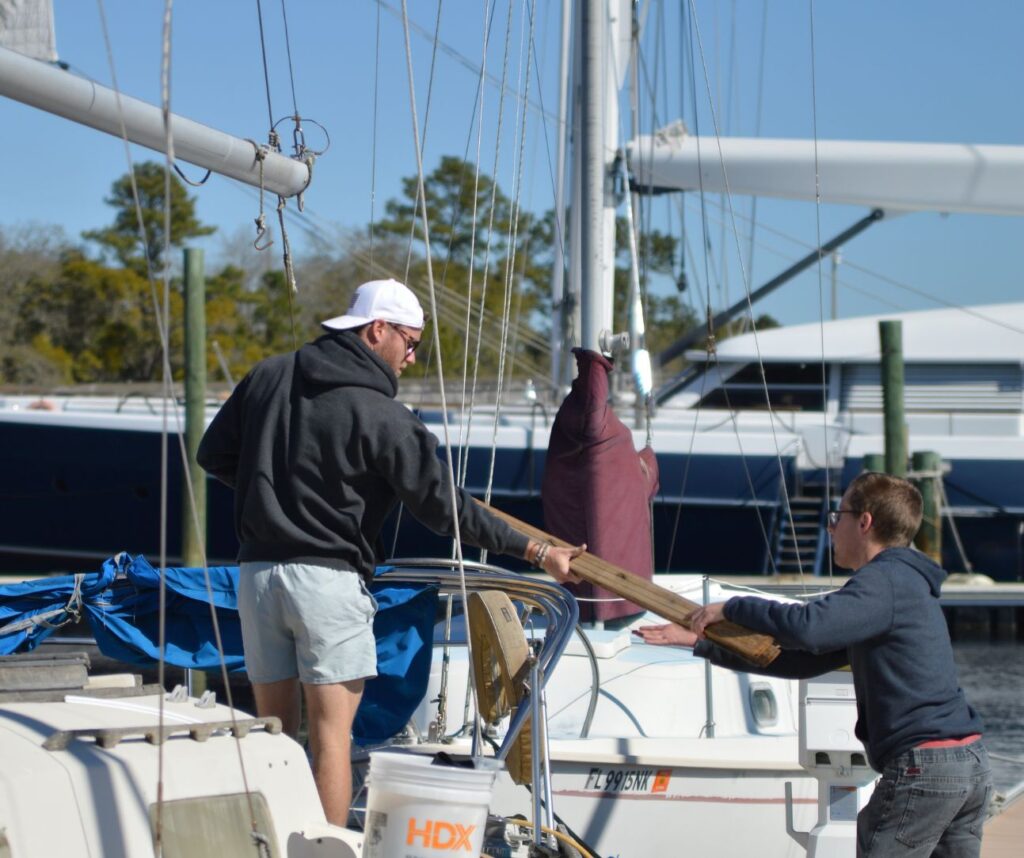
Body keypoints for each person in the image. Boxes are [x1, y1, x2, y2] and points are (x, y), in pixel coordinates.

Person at [198, 278, 583, 825]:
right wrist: (536, 549)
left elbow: (212, 454)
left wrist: (274, 492)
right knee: (332, 740)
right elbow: (444, 510)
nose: (412, 355)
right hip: (327, 584)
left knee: (272, 735)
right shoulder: (385, 417)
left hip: (256, 576)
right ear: (377, 330)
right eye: (410, 340)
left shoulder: (267, 375)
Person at [636, 472, 992, 857]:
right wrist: (703, 642)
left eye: (836, 516)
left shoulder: (883, 581)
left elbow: (809, 629)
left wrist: (733, 606)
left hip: (925, 764)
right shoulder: (899, 587)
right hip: (966, 763)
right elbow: (801, 661)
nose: (830, 527)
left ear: (865, 522)